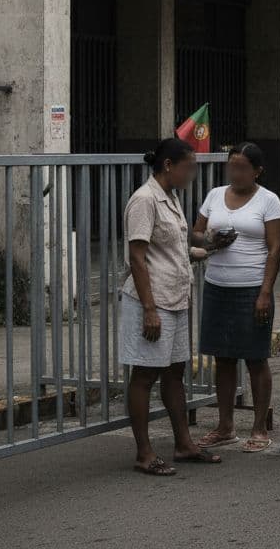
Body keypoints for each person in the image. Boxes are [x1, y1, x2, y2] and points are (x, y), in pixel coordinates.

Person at [120, 137, 224, 476]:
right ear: (168, 165)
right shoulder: (145, 200)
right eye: (188, 166)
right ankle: (144, 452)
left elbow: (172, 248)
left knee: (175, 372)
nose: (192, 172)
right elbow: (138, 256)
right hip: (153, 299)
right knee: (145, 374)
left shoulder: (172, 198)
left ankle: (183, 443)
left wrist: (207, 246)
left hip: (176, 296)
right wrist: (149, 309)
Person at [193, 142, 280, 454]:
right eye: (232, 166)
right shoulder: (215, 195)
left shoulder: (269, 201)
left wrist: (265, 292)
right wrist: (210, 240)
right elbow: (196, 233)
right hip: (217, 285)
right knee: (223, 357)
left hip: (251, 288)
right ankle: (225, 426)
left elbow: (275, 248)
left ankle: (258, 427)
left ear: (257, 170)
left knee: (256, 357)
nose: (236, 172)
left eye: (243, 167)